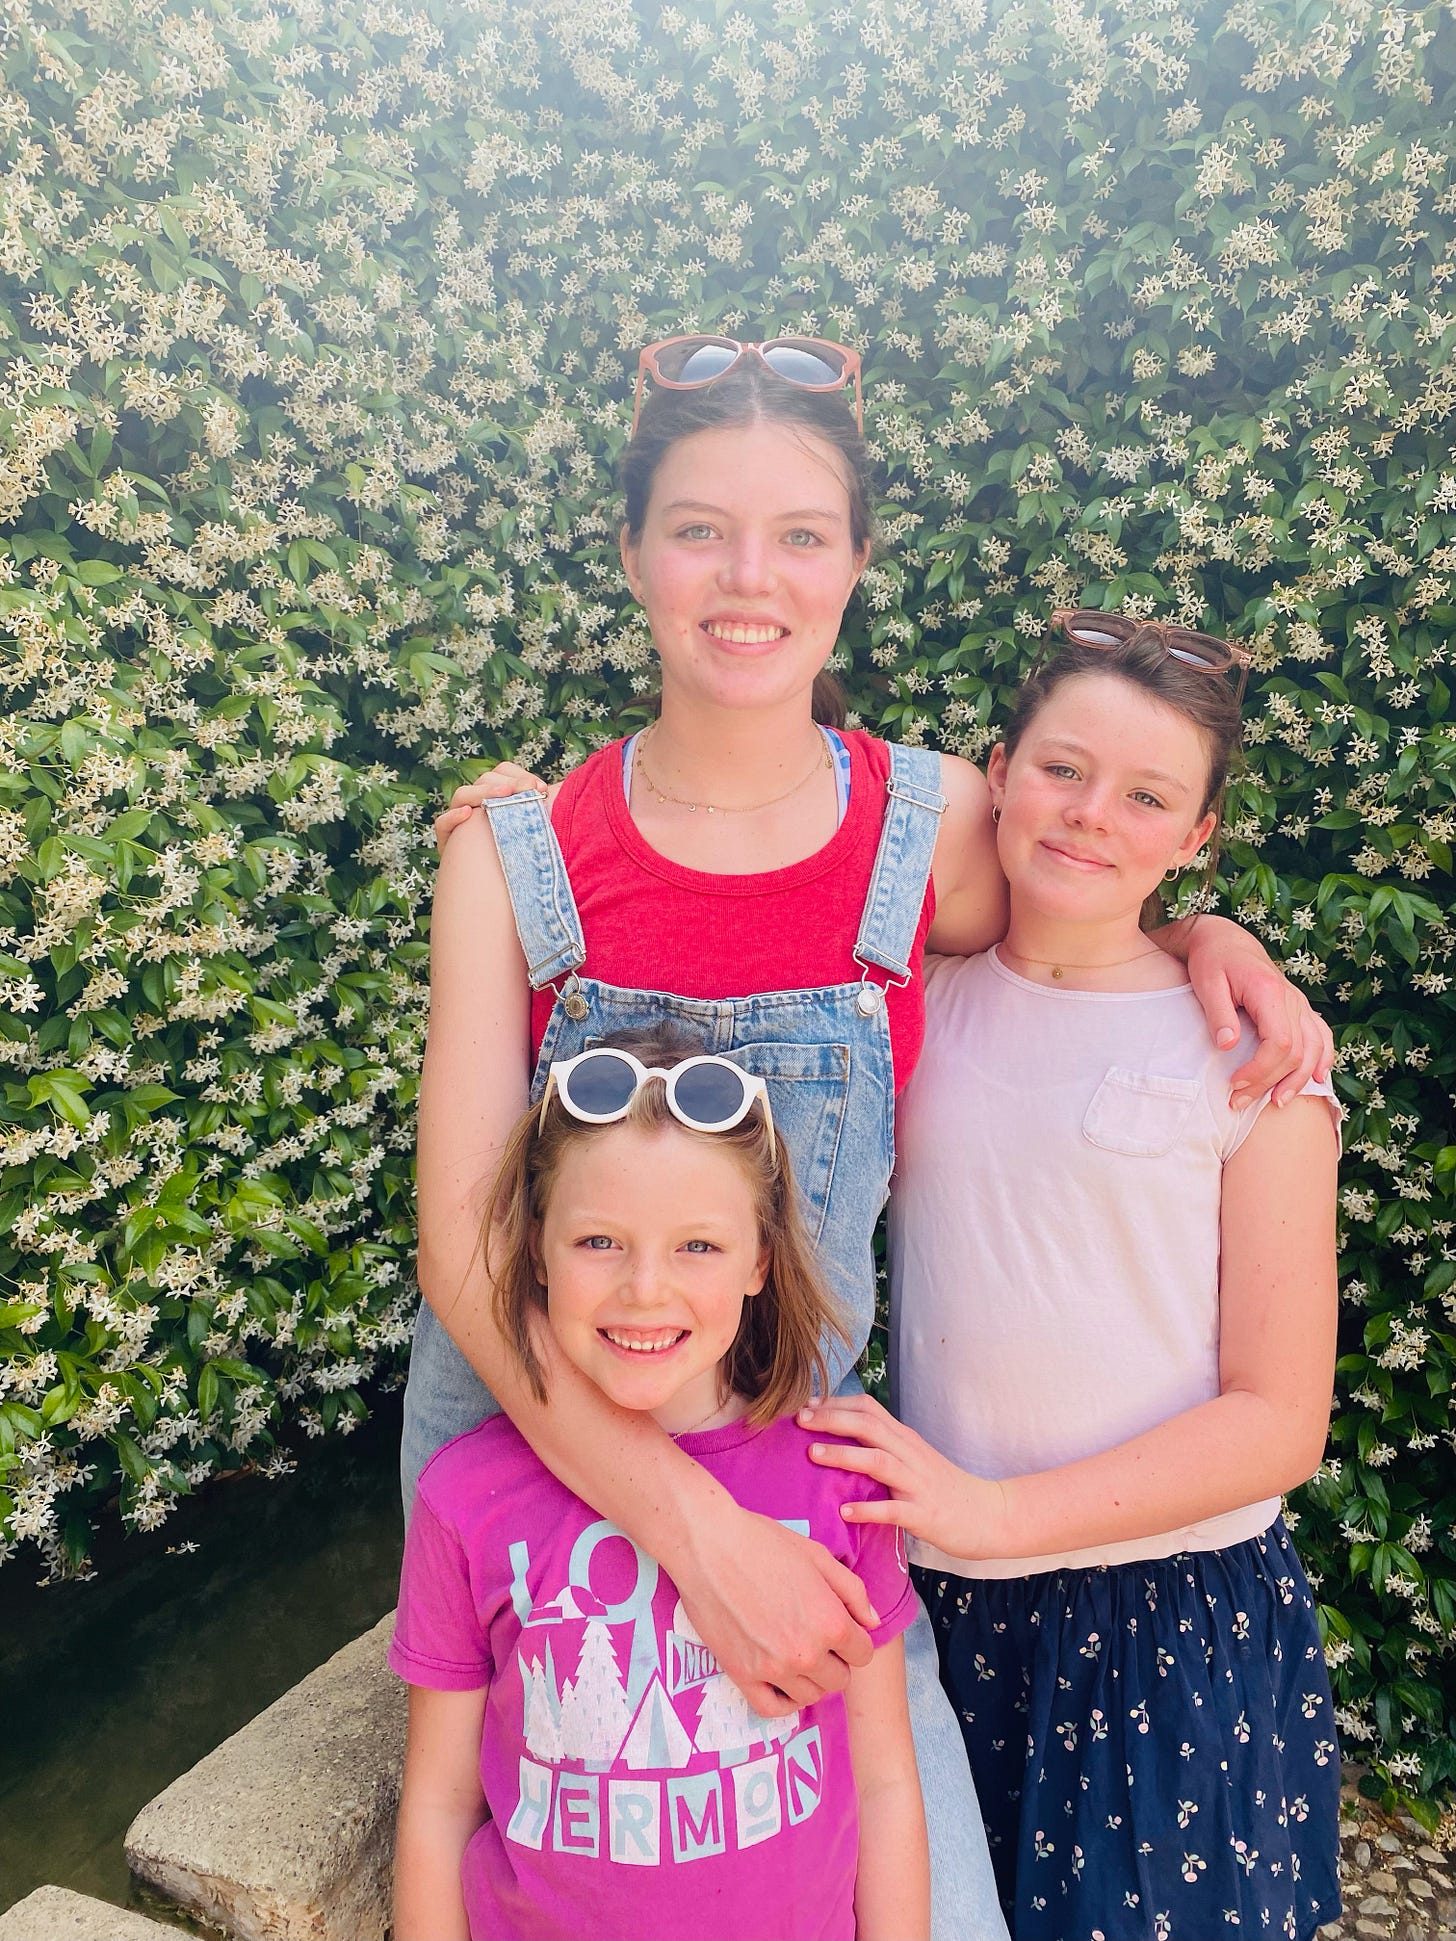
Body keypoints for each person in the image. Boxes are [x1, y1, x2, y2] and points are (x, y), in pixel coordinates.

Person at [415, 336, 1333, 1941]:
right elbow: (467, 1259)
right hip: (541, 1448)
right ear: (630, 552)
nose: (747, 577)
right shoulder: (512, 857)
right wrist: (694, 1534)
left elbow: (1084, 910)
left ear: (854, 563)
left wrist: (1212, 941)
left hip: (805, 1481)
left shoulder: (935, 828)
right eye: (698, 529)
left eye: (799, 534)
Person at [799, 612, 1342, 1941]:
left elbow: (1280, 1419)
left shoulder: (1252, 1059)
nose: (1093, 814)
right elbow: (737, 865)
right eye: (1061, 768)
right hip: (938, 1600)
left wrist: (998, 1514)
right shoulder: (907, 1002)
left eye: (1147, 796)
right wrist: (541, 828)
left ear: (1196, 835)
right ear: (999, 773)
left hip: (1161, 1618)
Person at [391, 1025, 929, 1941]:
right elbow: (442, 1806)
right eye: (599, 1239)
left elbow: (881, 1782)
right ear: (536, 1250)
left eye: (698, 1246)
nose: (645, 1288)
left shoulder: (838, 1480)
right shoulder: (463, 1499)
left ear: (761, 1260)